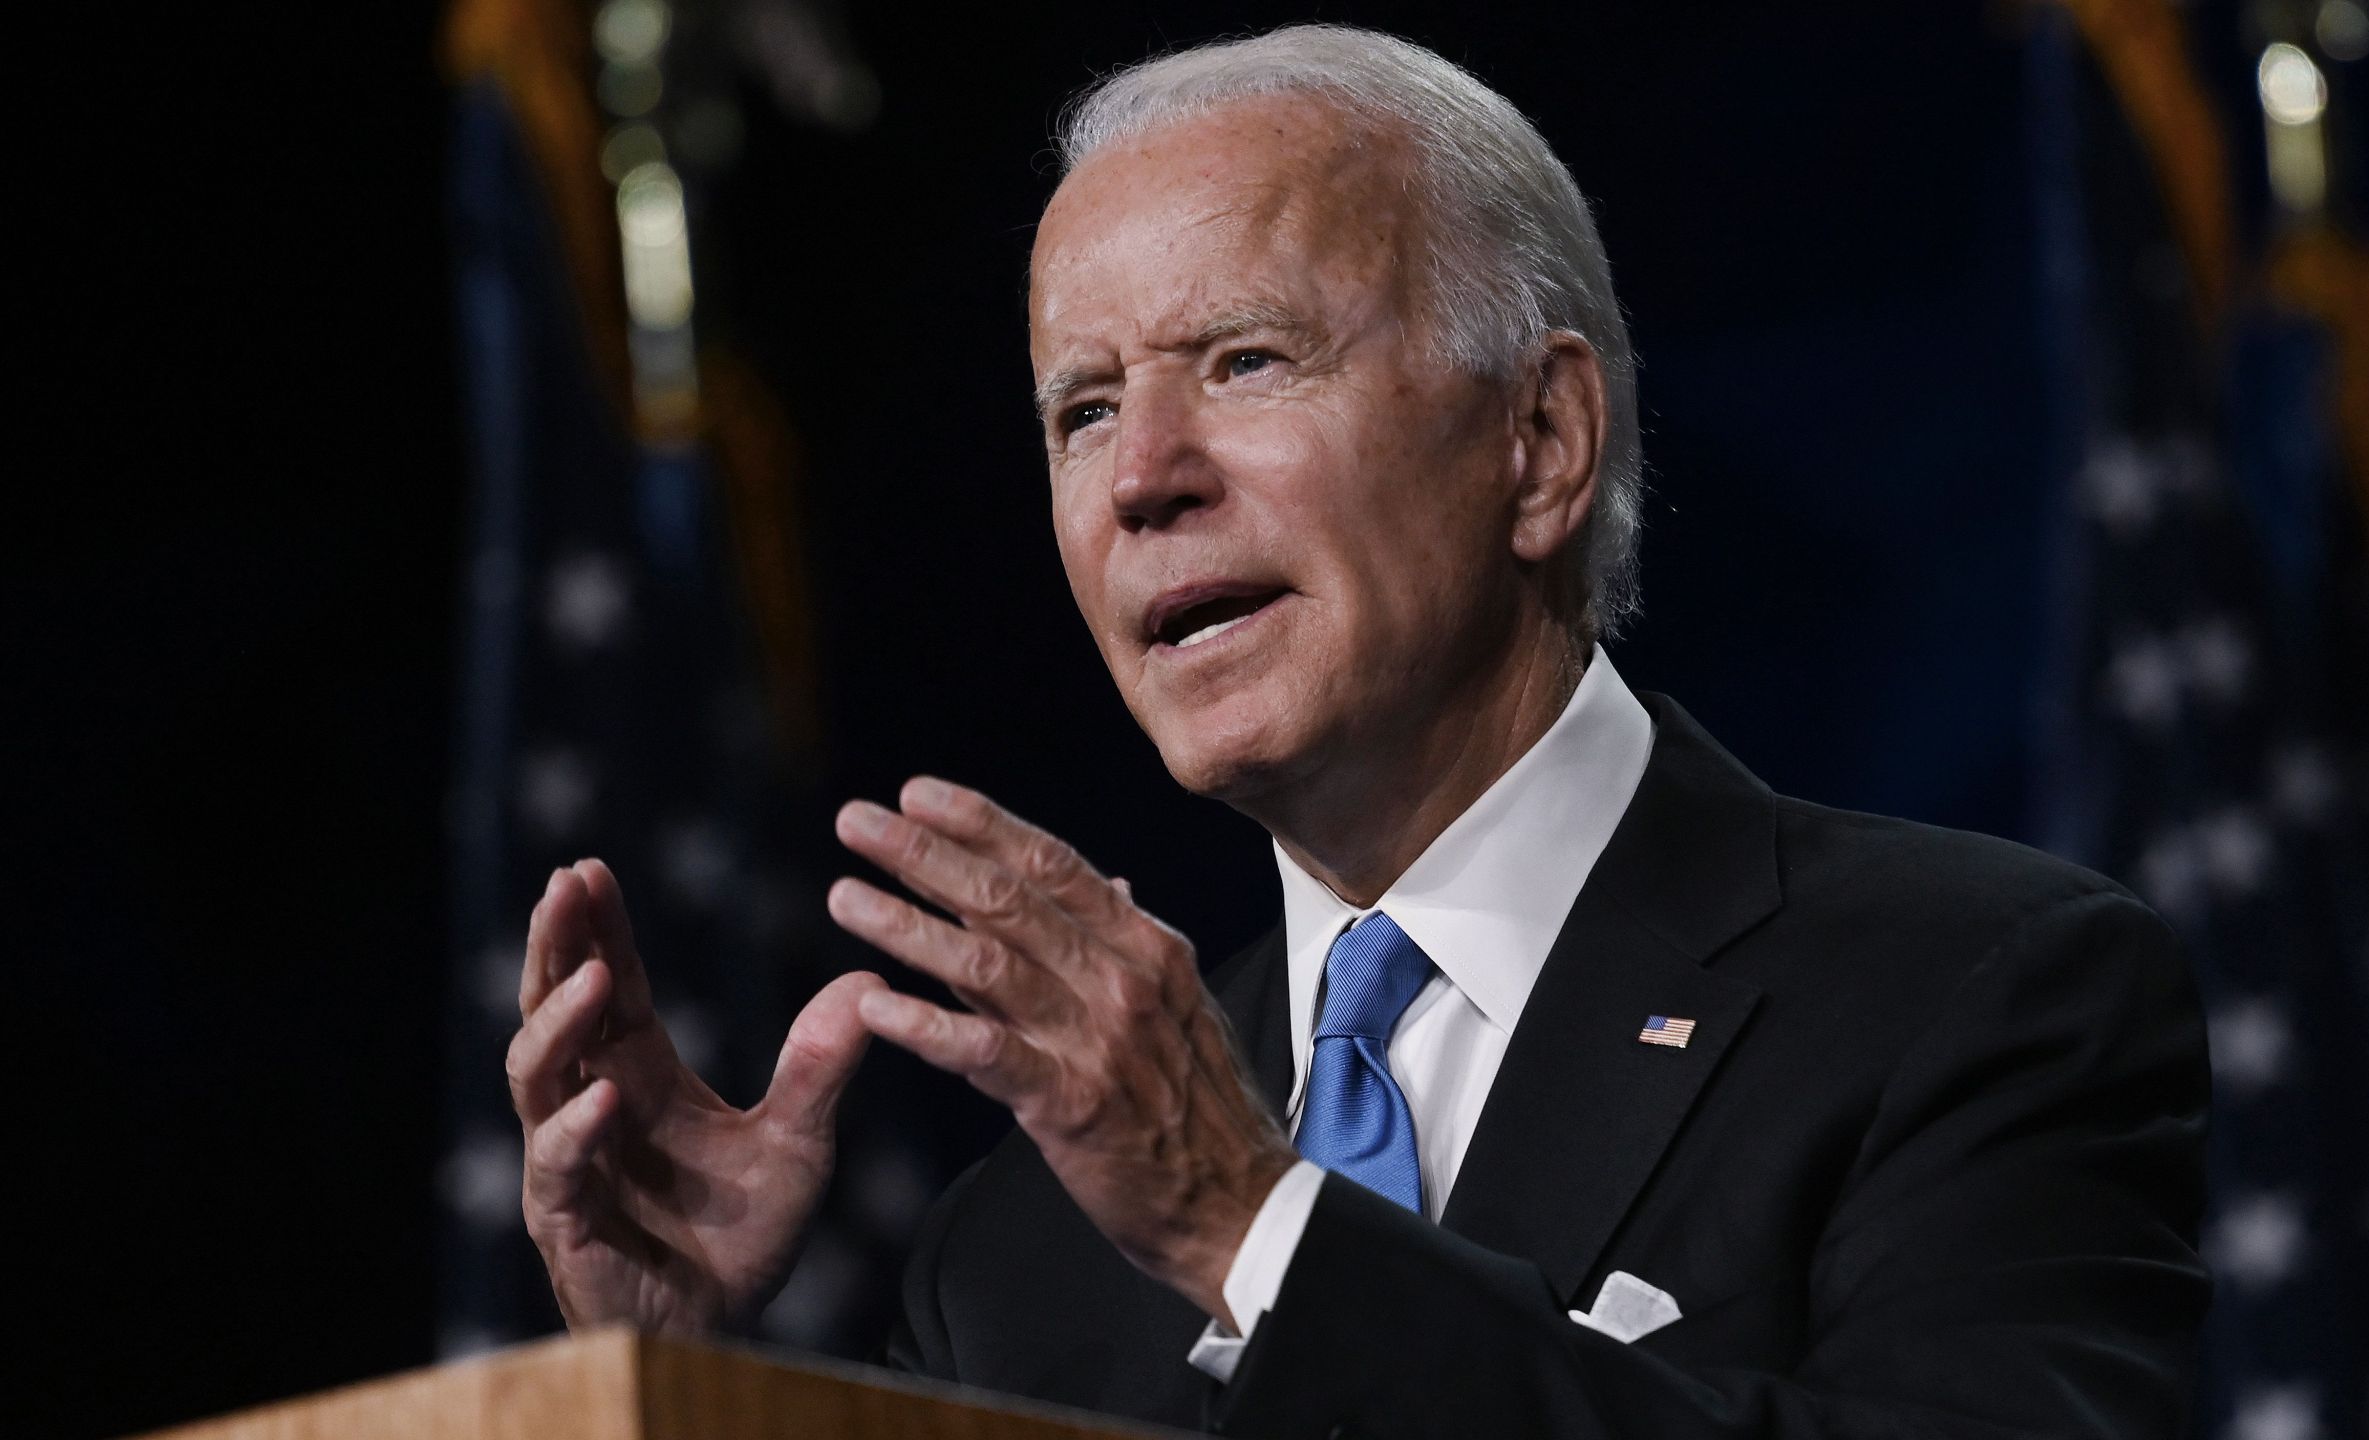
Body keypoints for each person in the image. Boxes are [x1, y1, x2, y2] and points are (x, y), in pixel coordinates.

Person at [505, 24, 2211, 1439]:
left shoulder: (1974, 997)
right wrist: (679, 1390)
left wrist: (1252, 1230)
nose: (1142, 478)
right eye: (1082, 409)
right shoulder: (1021, 1247)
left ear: (1539, 441)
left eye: (1243, 361)